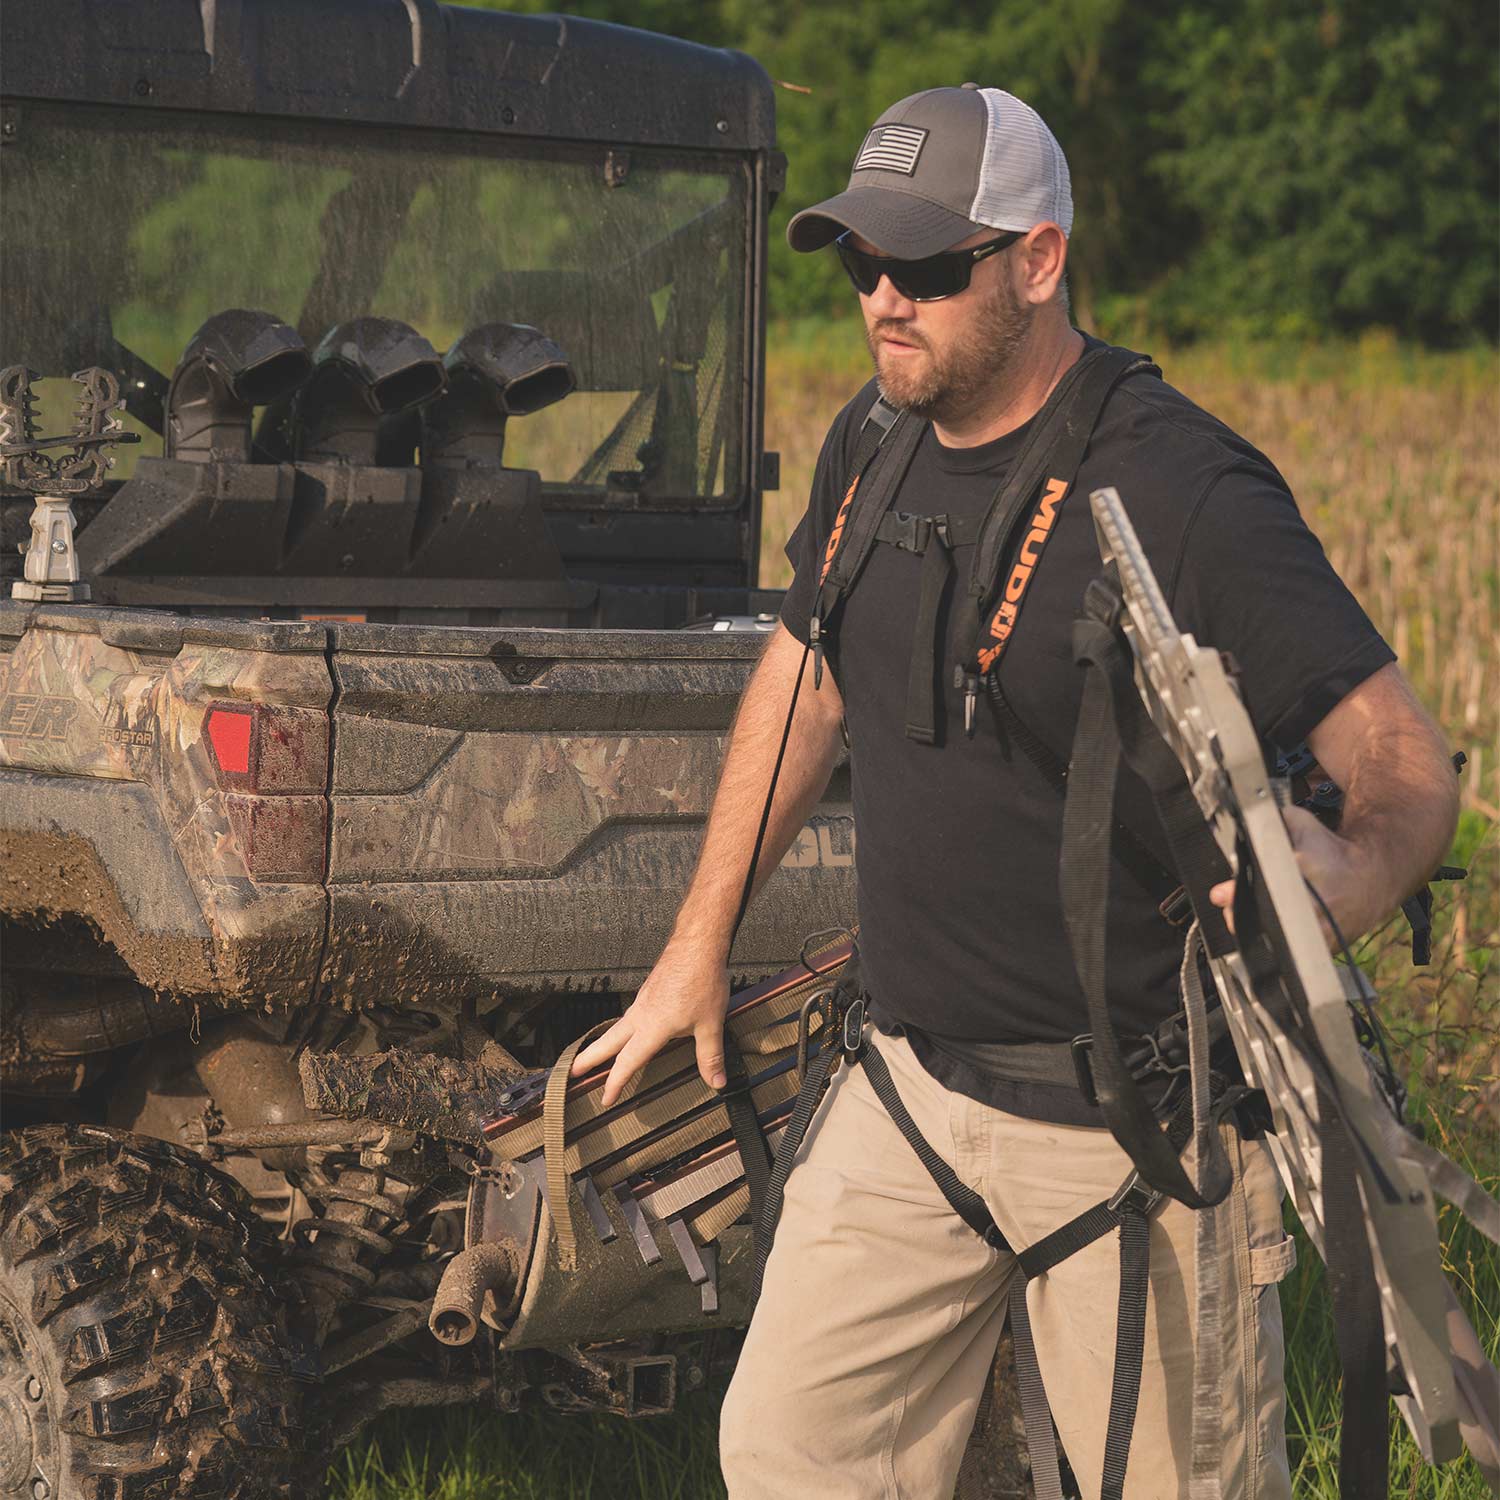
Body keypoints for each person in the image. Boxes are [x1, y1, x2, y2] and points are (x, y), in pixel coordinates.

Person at [571, 85, 1460, 1498]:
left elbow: (1403, 759)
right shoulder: (876, 443)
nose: (883, 300)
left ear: (1038, 261)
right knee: (789, 1454)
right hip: (908, 1088)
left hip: (1140, 1130)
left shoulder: (1183, 487)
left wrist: (1344, 878)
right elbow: (807, 674)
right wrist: (697, 944)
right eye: (862, 261)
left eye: (926, 265)